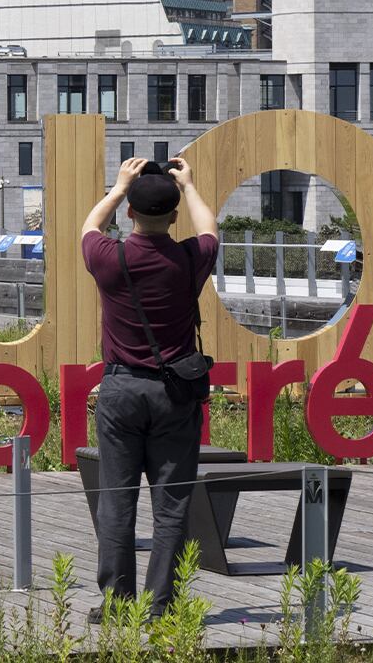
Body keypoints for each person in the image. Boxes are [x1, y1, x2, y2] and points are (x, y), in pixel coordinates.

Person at [79, 156, 218, 619]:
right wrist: (189, 185)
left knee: (116, 502)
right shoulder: (189, 258)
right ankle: (160, 605)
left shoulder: (109, 257)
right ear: (174, 217)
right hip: (174, 392)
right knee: (171, 504)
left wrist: (119, 187)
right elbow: (210, 229)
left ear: (130, 213)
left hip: (120, 389)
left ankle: (116, 603)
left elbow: (89, 226)